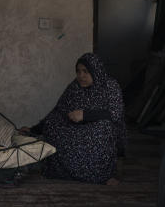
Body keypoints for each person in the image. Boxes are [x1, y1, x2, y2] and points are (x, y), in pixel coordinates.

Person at [34, 53, 126, 185]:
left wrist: (85, 115)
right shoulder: (74, 87)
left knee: (103, 127)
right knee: (52, 123)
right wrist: (34, 129)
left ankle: (104, 176)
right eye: (78, 71)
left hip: (100, 128)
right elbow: (58, 110)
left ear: (96, 71)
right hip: (78, 129)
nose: (81, 75)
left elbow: (116, 114)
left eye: (86, 71)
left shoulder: (110, 86)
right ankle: (62, 172)